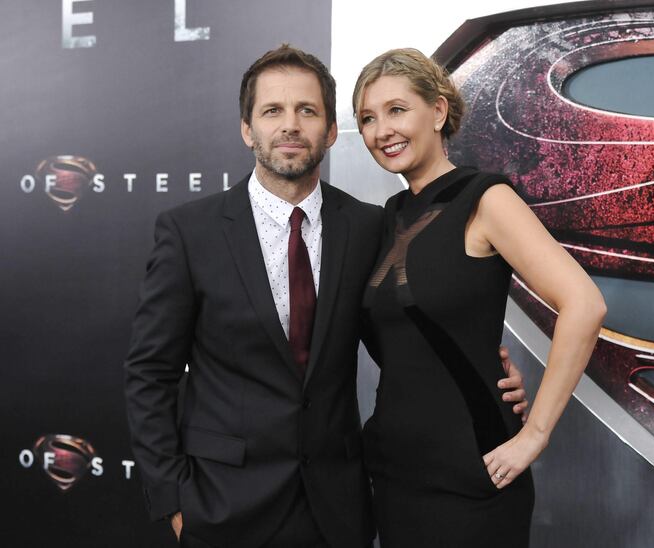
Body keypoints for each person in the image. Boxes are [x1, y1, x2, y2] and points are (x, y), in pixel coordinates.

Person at [123, 44, 527, 548]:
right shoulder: (190, 232)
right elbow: (150, 375)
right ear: (247, 129)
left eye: (307, 111)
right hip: (221, 506)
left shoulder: (369, 227)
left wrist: (484, 369)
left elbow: (405, 334)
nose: (290, 125)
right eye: (273, 111)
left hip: (338, 507)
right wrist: (174, 501)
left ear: (332, 132)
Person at [353, 48, 607, 547]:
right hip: (395, 474)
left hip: (474, 476)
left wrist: (534, 434)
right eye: (367, 118)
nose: (382, 130)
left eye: (397, 110)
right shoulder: (390, 216)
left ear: (439, 111)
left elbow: (585, 304)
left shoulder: (485, 198)